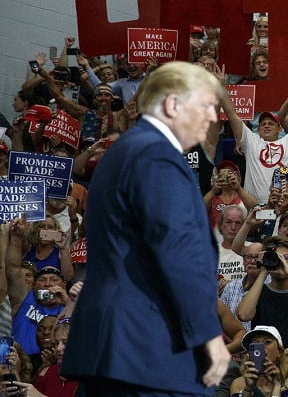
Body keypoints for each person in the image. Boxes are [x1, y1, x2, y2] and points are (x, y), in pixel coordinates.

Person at [61, 62, 230, 394]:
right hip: (148, 350)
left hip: (116, 349)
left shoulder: (121, 152)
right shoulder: (157, 156)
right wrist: (208, 334)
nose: (211, 118)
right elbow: (176, 250)